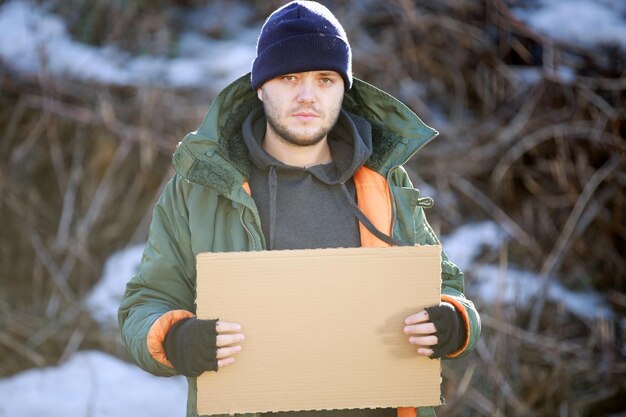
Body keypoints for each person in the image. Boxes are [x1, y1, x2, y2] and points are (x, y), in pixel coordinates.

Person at [118, 2, 481, 417]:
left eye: (325, 79)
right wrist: (177, 338)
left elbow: (446, 286)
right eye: (289, 77)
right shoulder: (200, 189)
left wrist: (452, 322)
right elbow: (146, 301)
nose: (307, 96)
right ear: (259, 86)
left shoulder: (382, 181)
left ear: (343, 89)